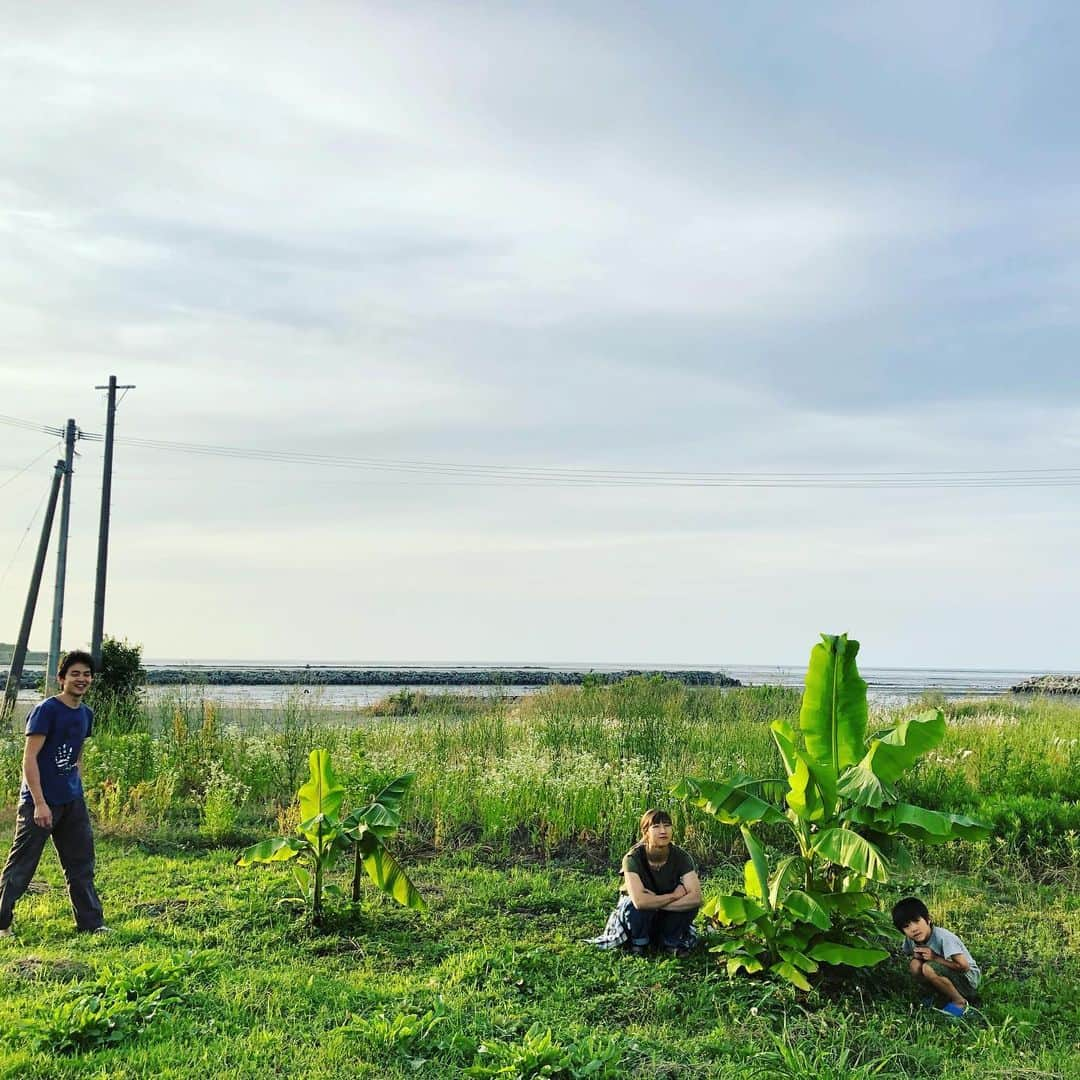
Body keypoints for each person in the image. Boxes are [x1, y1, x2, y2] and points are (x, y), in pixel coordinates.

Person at [0, 650, 107, 937]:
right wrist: (39, 803)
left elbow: (77, 754)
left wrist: (77, 786)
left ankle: (91, 923)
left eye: (86, 674)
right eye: (75, 674)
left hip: (72, 800)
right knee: (21, 867)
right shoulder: (46, 710)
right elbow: (29, 759)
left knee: (81, 864)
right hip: (40, 802)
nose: (81, 679)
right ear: (62, 678)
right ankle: (1, 923)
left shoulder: (86, 714)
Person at [589, 809, 702, 957]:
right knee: (632, 906)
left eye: (667, 825)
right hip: (639, 915)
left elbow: (696, 898)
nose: (663, 831)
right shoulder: (633, 858)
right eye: (656, 827)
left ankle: (670, 942)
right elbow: (640, 902)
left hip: (664, 913)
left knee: (689, 906)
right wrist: (674, 896)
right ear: (646, 832)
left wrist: (656, 904)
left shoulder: (681, 856)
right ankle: (639, 943)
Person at [892, 896, 979, 1017]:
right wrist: (917, 956)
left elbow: (964, 967)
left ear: (928, 919)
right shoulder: (911, 939)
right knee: (915, 964)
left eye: (917, 921)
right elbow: (909, 953)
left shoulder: (944, 937)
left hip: (967, 981)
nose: (913, 929)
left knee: (928, 967)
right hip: (946, 975)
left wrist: (935, 958)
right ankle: (935, 994)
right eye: (906, 926)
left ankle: (960, 1002)